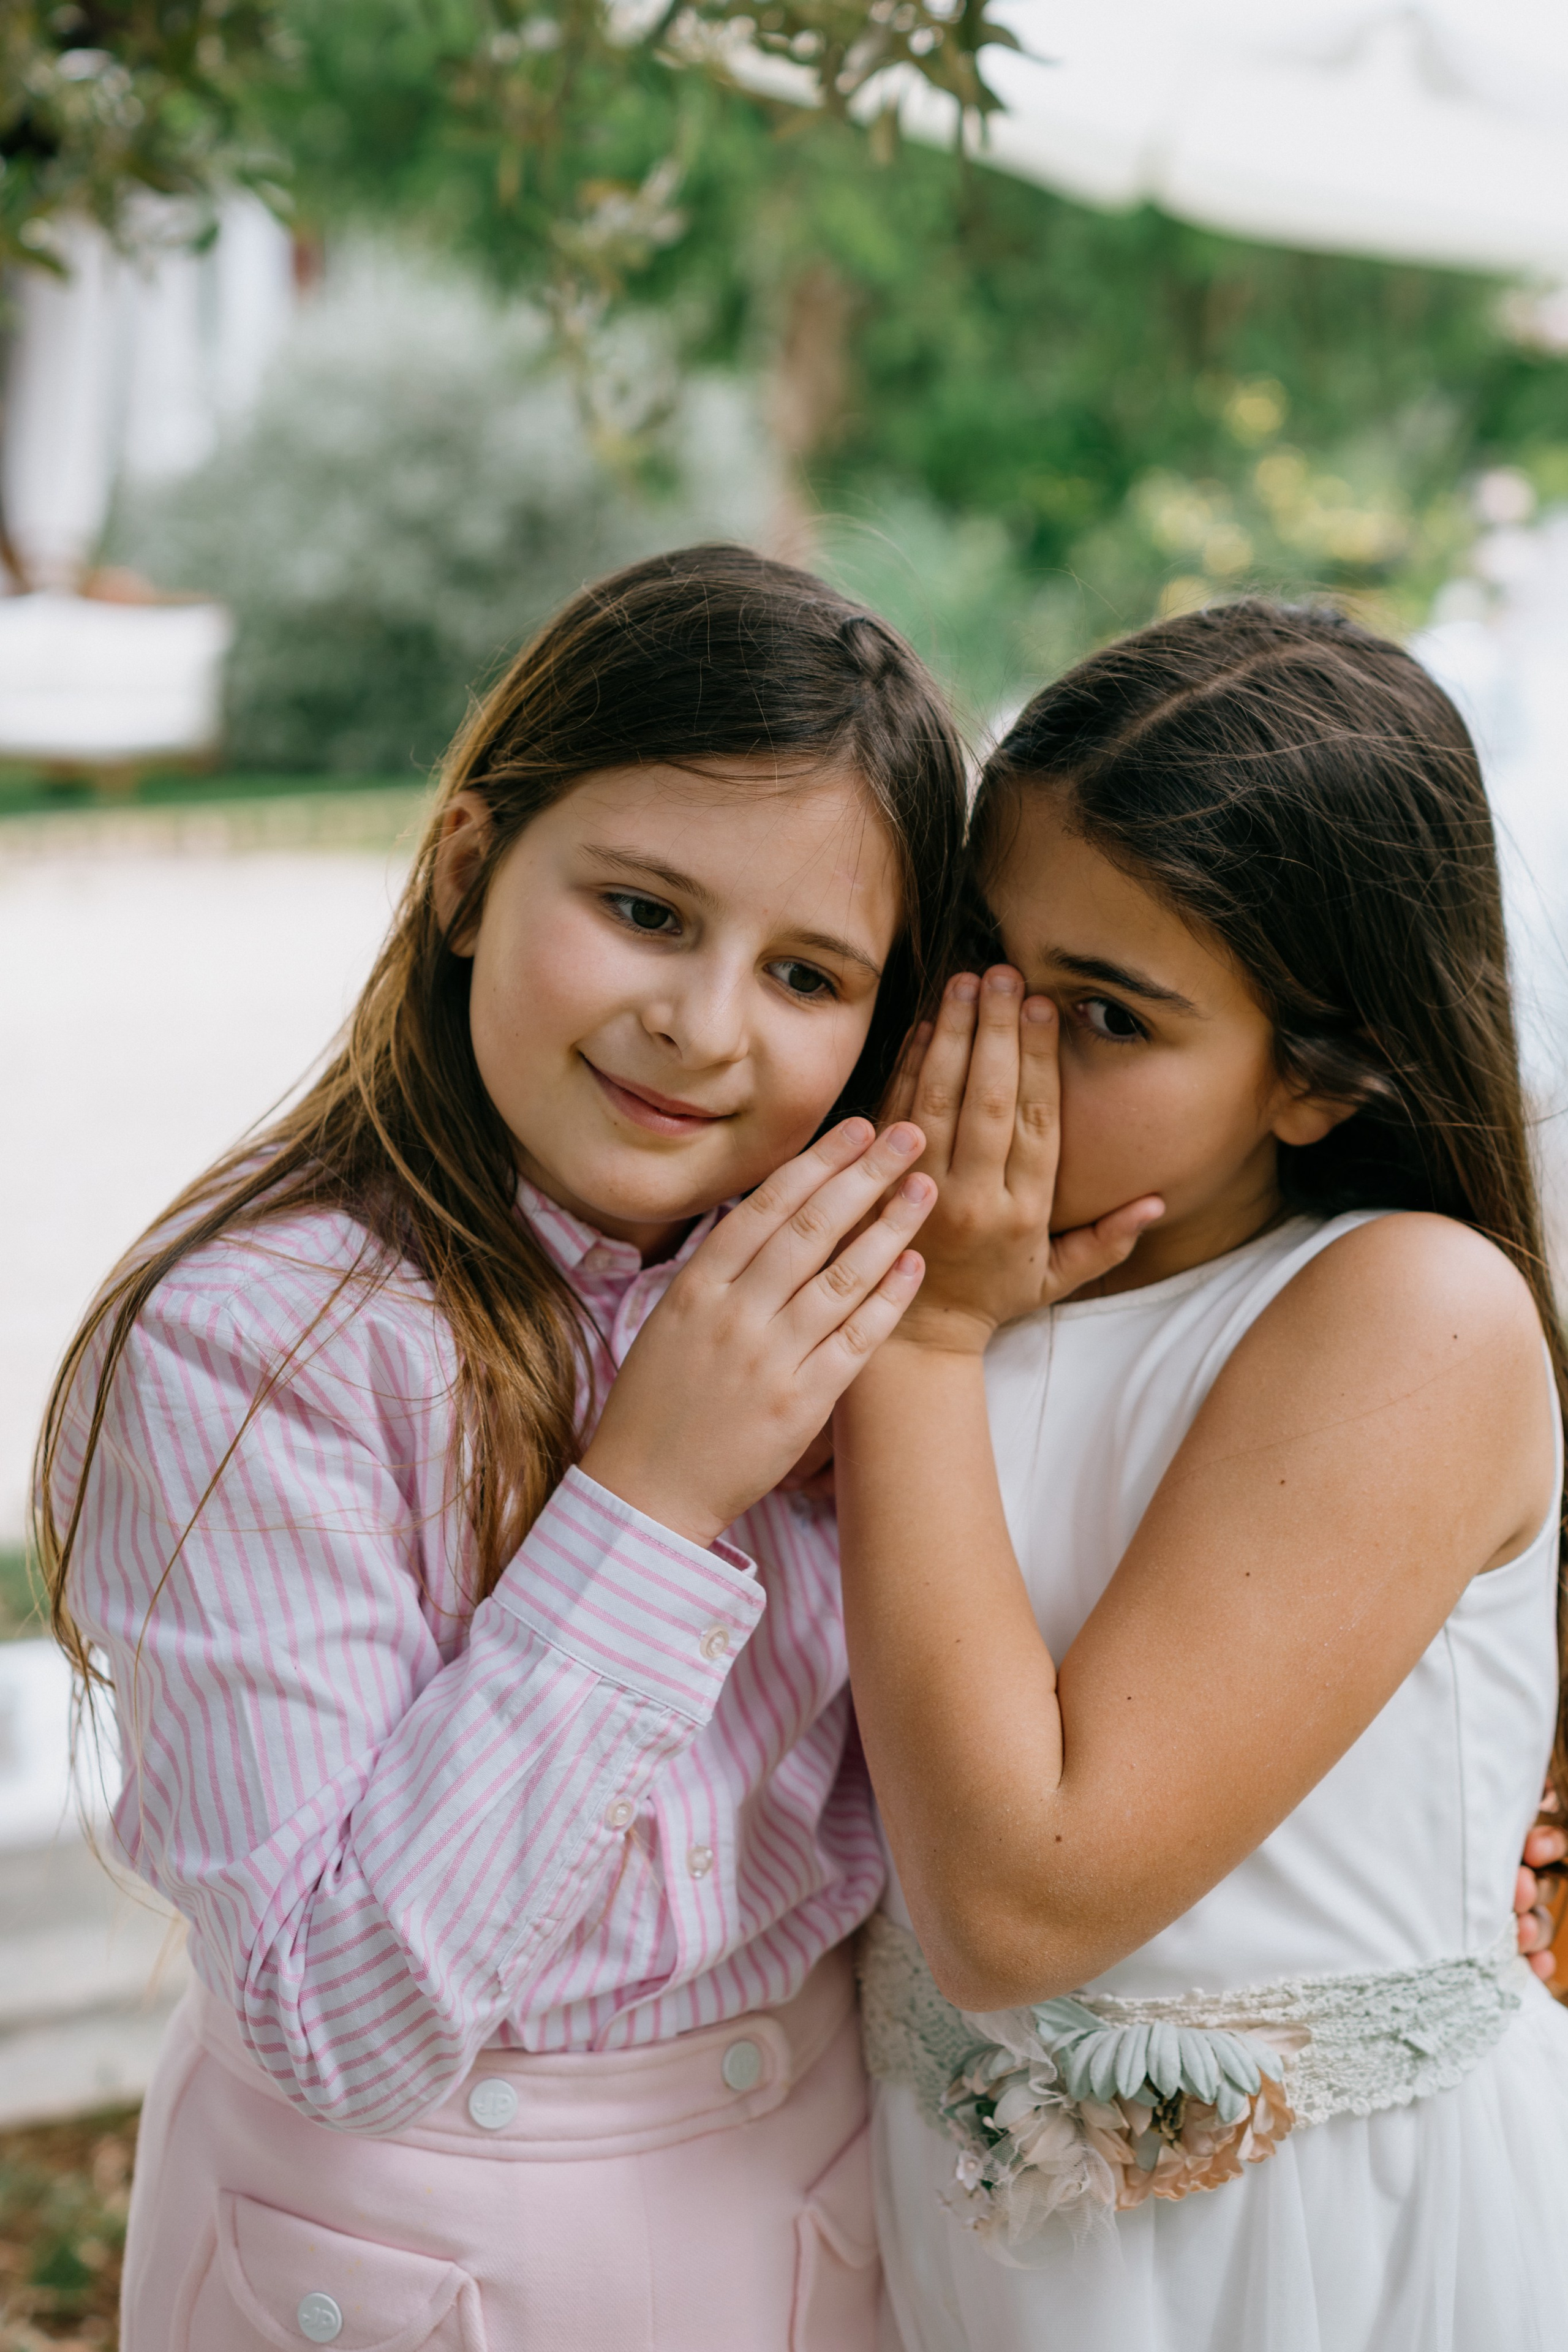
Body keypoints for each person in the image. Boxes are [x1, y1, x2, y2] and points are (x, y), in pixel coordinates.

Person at [35, 544, 1003, 2352]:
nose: (702, 1025)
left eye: (807, 974)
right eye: (644, 910)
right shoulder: (262, 1344)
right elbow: (333, 2024)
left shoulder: (848, 1301)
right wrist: (651, 1497)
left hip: (811, 2209)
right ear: (469, 872)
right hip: (391, 2254)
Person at [835, 600, 1568, 2351]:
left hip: (1305, 2261)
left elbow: (1019, 1906)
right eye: (981, 958)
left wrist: (924, 1348)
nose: (1000, 1049)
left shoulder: (1409, 1310)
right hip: (954, 2240)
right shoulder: (948, 1266)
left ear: (1319, 1077)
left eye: (1104, 1015)